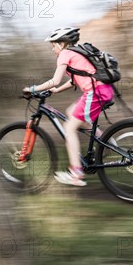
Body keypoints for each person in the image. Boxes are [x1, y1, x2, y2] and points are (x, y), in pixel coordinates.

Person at [23, 27, 114, 186]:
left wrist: (32, 89)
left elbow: (54, 80)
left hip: (96, 93)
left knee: (70, 128)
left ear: (62, 43)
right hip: (102, 91)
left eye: (53, 46)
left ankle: (76, 174)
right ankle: (107, 143)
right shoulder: (76, 53)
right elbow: (75, 79)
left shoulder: (65, 54)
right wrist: (57, 91)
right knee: (71, 112)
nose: (53, 49)